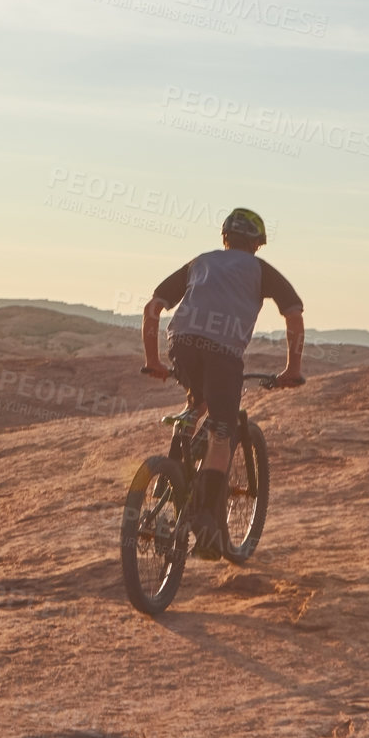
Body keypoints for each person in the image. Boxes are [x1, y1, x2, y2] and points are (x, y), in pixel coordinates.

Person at [141, 208, 305, 560]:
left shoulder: (200, 262)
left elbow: (153, 307)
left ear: (225, 238)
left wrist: (153, 360)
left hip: (181, 345)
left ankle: (174, 468)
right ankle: (203, 519)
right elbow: (293, 314)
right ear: (257, 244)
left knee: (198, 401)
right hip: (223, 353)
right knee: (222, 433)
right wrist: (292, 368)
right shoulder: (261, 270)